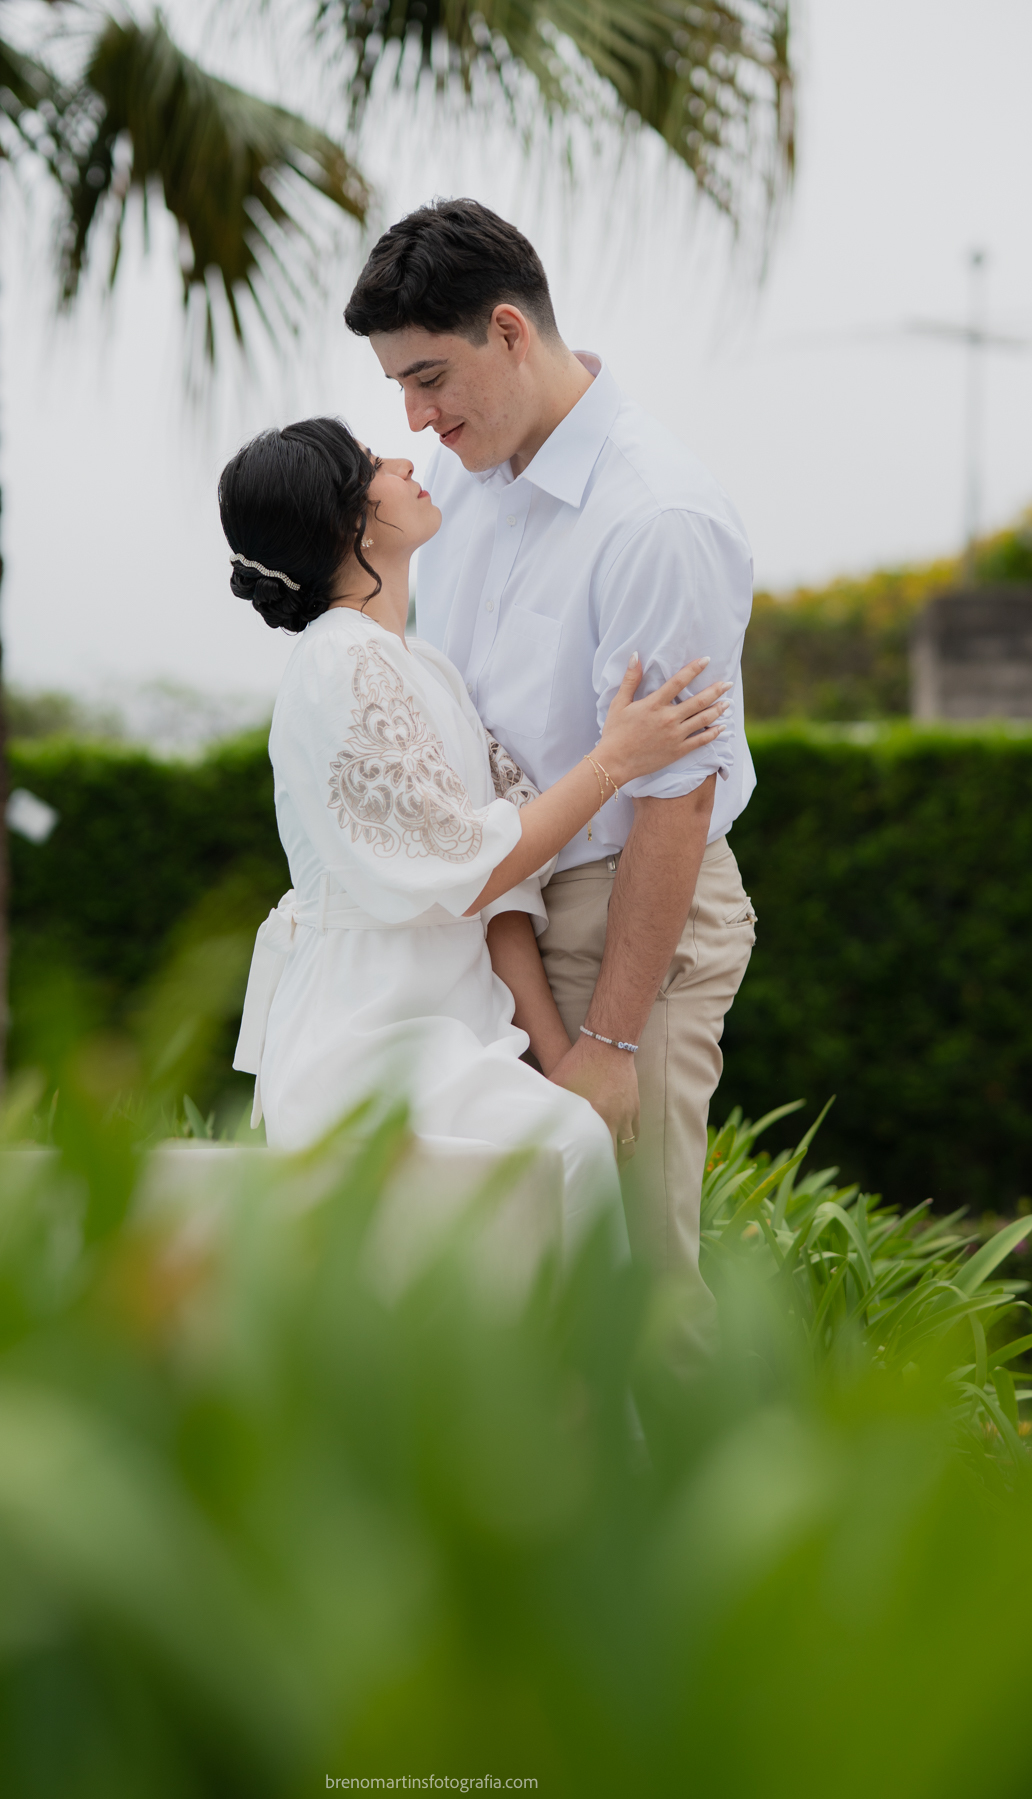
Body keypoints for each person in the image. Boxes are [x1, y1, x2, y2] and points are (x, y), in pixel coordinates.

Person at [344, 199, 758, 1338]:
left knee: (641, 1280)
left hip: (624, 917)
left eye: (430, 377)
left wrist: (612, 1043)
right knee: (530, 1278)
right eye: (400, 387)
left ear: (511, 330)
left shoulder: (658, 516)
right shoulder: (463, 491)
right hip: (504, 921)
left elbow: (677, 793)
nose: (417, 417)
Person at [220, 418, 730, 1252]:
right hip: (370, 1026)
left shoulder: (422, 666)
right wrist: (615, 760)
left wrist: (562, 1064)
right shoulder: (338, 662)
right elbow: (469, 865)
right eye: (373, 465)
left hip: (456, 1022)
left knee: (565, 1153)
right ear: (353, 524)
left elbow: (501, 889)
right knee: (533, 1189)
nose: (403, 459)